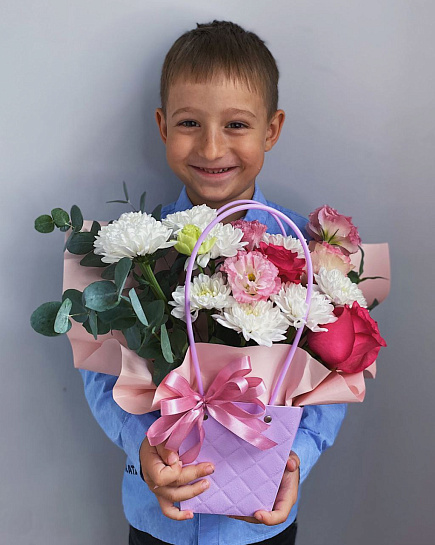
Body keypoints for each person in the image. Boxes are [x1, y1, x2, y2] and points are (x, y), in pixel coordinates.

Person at [79, 20, 347, 545]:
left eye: (237, 125)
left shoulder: (312, 255)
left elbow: (332, 376)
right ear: (161, 126)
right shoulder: (134, 252)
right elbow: (101, 372)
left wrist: (300, 458)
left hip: (261, 518)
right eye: (188, 123)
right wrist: (141, 445)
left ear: (272, 129)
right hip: (159, 518)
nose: (211, 146)